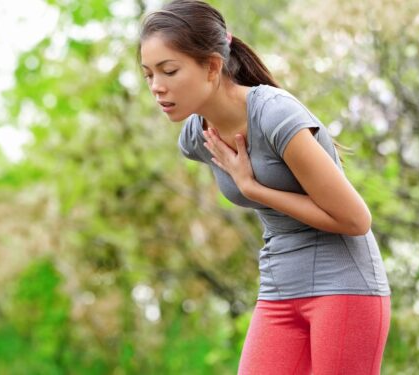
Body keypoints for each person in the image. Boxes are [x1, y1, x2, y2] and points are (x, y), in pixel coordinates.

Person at [137, 1, 392, 374]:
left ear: (212, 66)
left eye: (169, 71)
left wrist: (254, 188)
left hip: (344, 285)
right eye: (148, 75)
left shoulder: (274, 114)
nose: (157, 87)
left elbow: (356, 220)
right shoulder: (196, 136)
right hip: (279, 287)